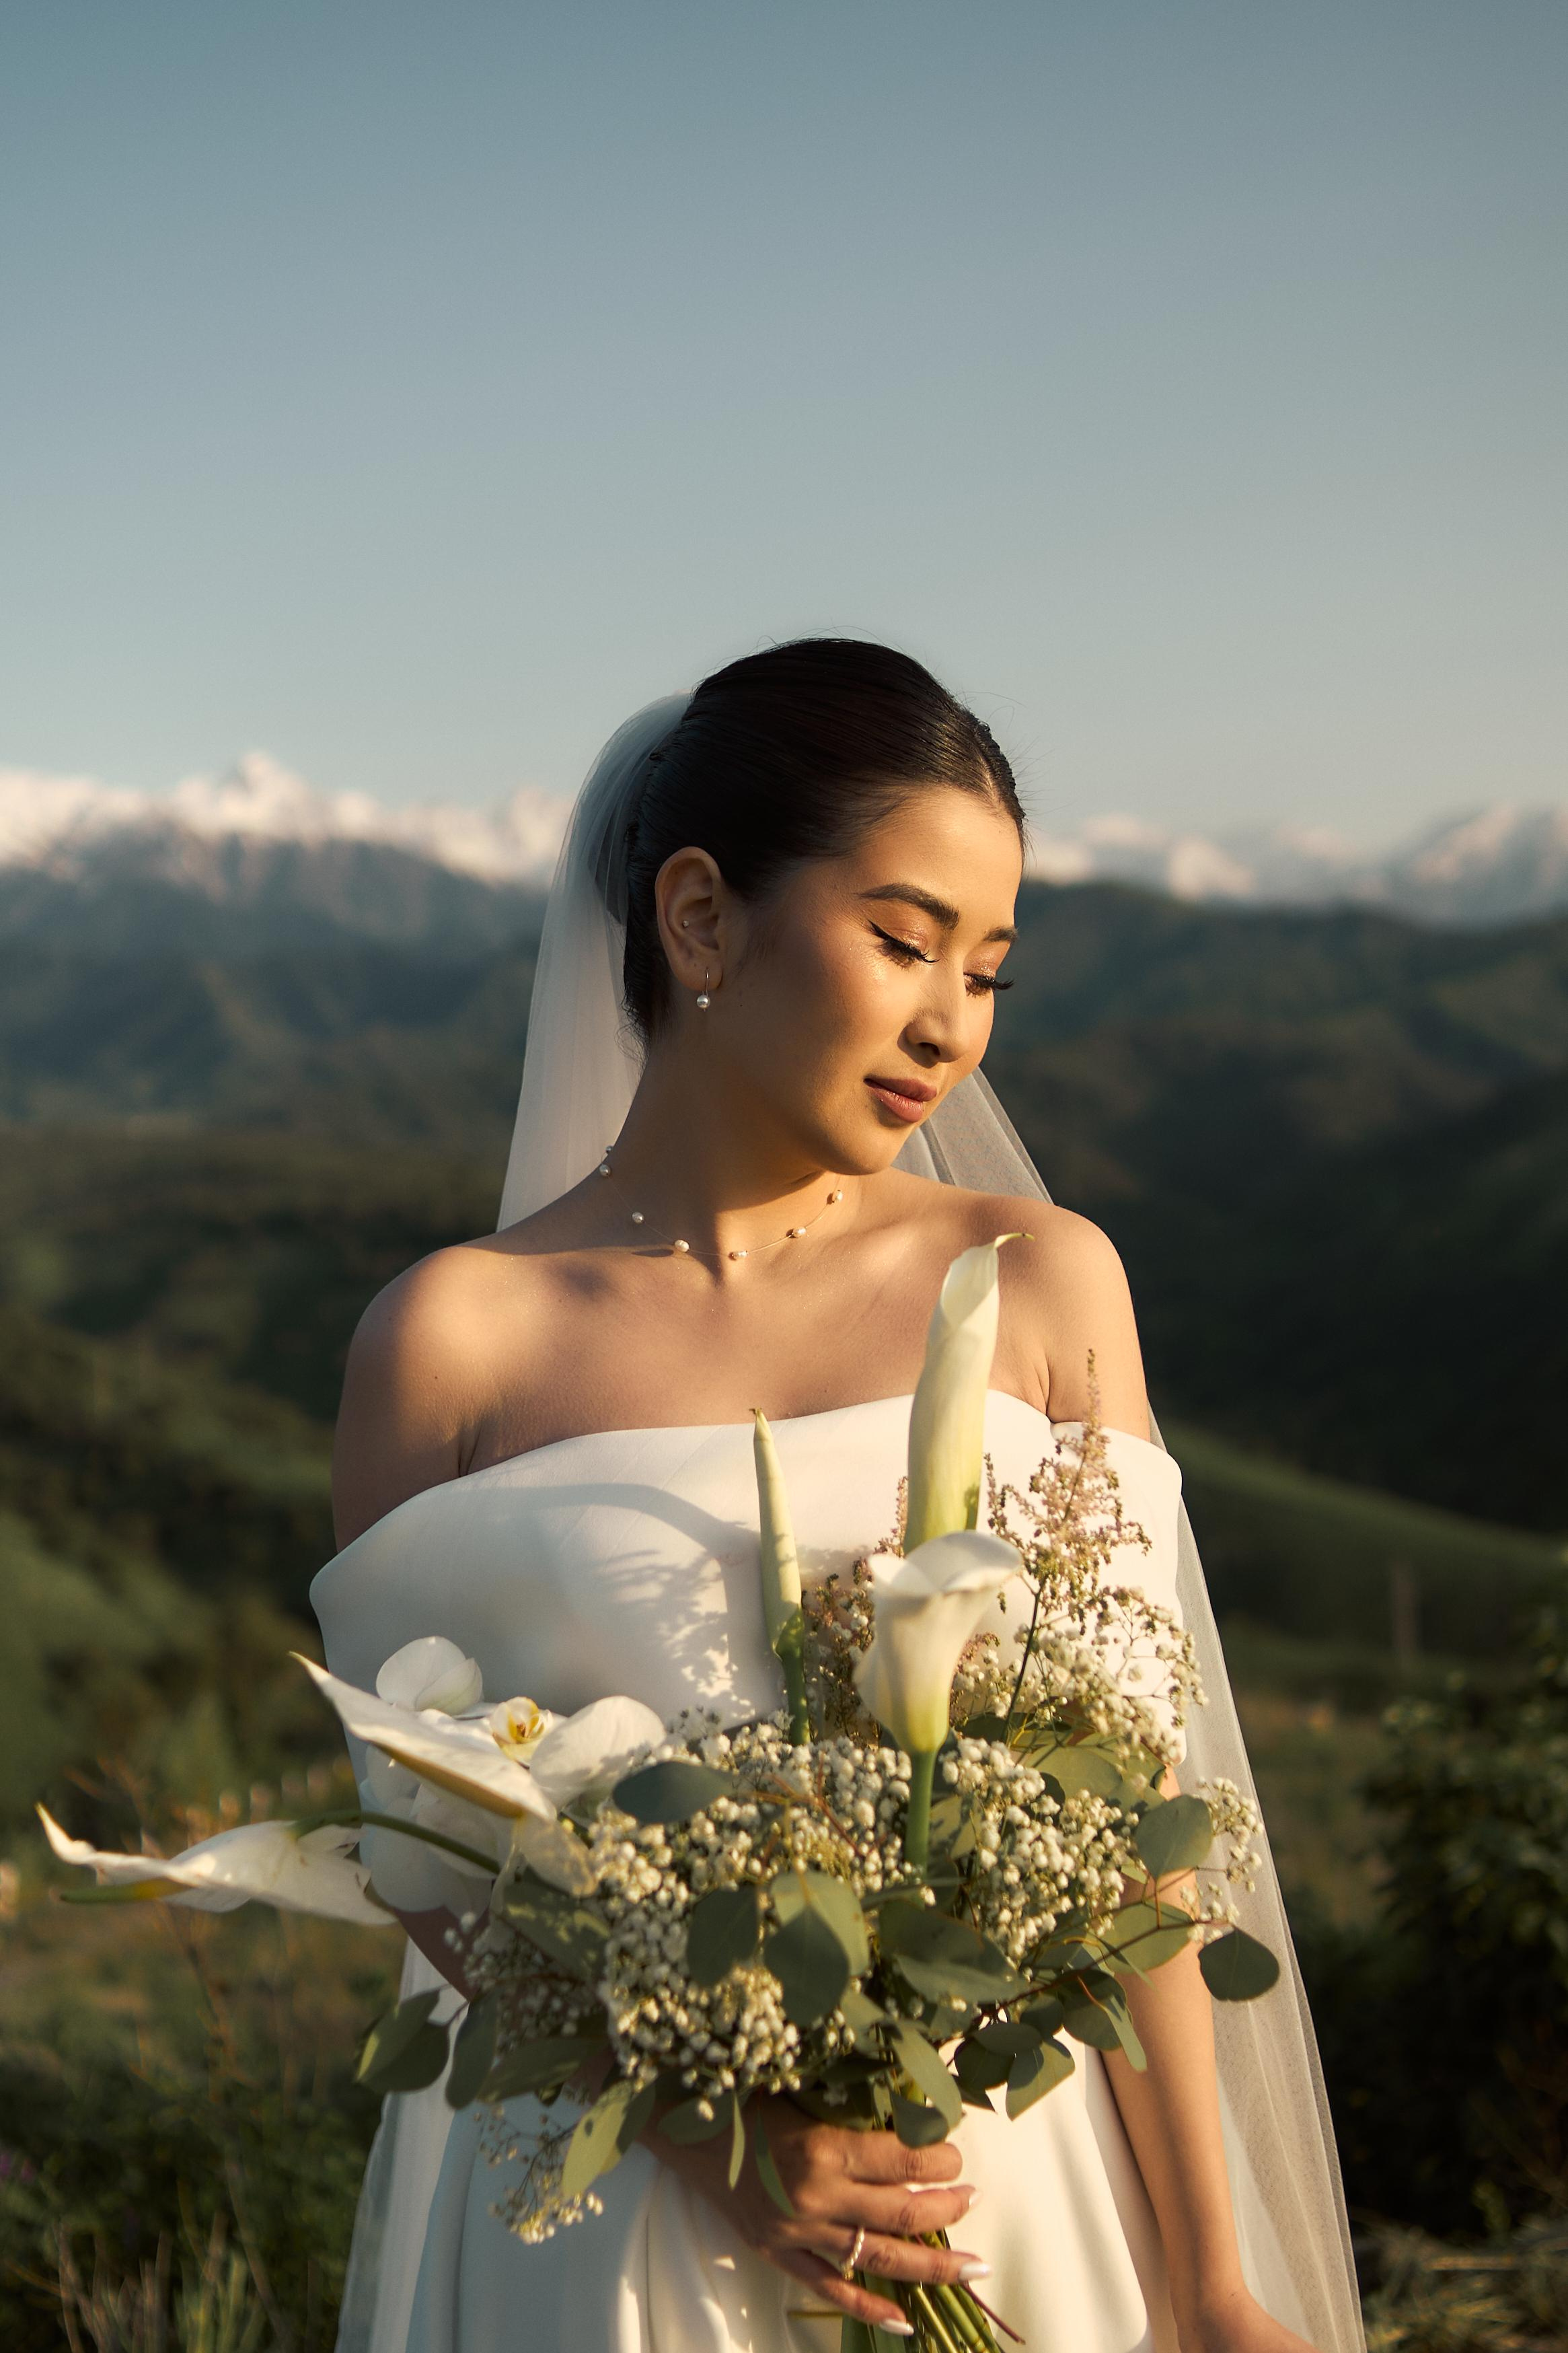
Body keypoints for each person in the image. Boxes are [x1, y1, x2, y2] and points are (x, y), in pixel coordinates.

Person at [314, 641, 1363, 2353]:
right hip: (605, 2226)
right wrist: (709, 2132)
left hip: (995, 2191)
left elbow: (1133, 1836)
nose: (951, 1022)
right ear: (702, 917)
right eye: (902, 940)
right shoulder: (447, 1341)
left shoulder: (1036, 1284)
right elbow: (423, 1843)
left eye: (990, 969)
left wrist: (1209, 2282)